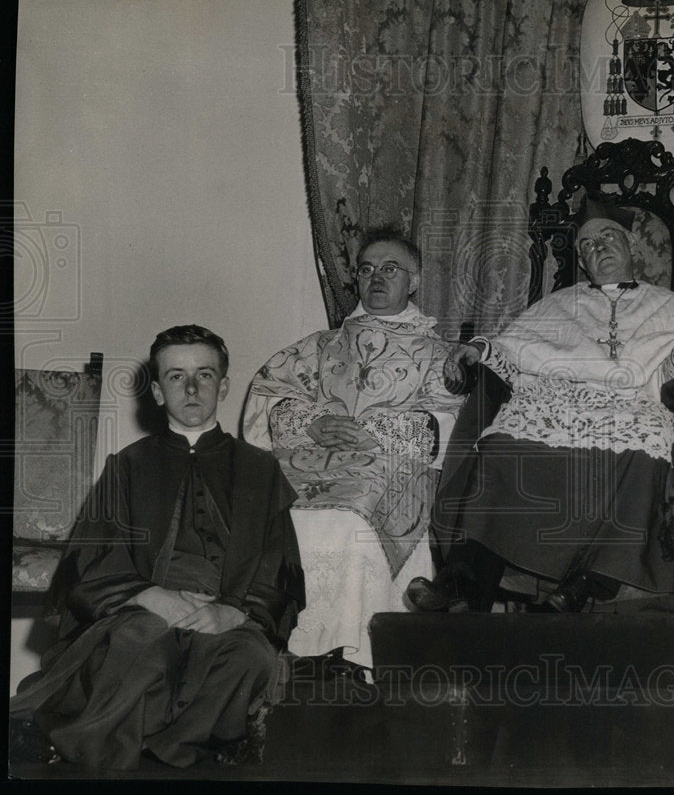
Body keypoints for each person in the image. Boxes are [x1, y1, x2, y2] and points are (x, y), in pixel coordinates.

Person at [407, 196, 674, 614]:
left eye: (608, 237)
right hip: (558, 403)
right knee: (501, 444)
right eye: (587, 246)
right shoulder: (559, 304)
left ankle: (589, 583)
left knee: (643, 451)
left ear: (631, 247)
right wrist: (479, 350)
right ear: (582, 262)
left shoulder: (665, 303)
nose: (598, 248)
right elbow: (511, 348)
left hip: (630, 404)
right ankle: (465, 578)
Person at [9, 325, 304, 770]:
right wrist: (149, 596)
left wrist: (235, 612)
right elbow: (90, 559)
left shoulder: (260, 469)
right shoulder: (127, 465)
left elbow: (279, 562)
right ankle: (82, 741)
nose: (190, 387)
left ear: (224, 385)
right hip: (141, 602)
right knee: (141, 643)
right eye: (175, 376)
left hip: (226, 604)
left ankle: (154, 747)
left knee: (249, 658)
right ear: (156, 392)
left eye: (204, 375)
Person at [243, 228, 465, 669]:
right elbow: (266, 399)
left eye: (390, 269)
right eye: (366, 270)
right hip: (306, 459)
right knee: (260, 504)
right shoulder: (319, 346)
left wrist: (378, 433)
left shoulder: (440, 354)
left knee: (346, 516)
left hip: (393, 463)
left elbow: (453, 418)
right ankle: (264, 642)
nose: (376, 278)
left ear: (414, 282)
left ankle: (347, 653)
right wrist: (313, 423)